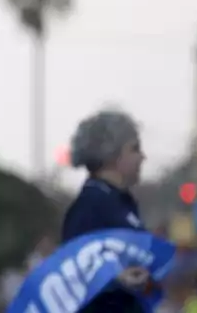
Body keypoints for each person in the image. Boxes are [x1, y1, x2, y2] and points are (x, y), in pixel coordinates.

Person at [62, 109, 150, 313]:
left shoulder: (122, 203)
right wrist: (116, 279)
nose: (143, 157)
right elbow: (76, 272)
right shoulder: (90, 207)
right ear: (111, 154)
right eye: (134, 149)